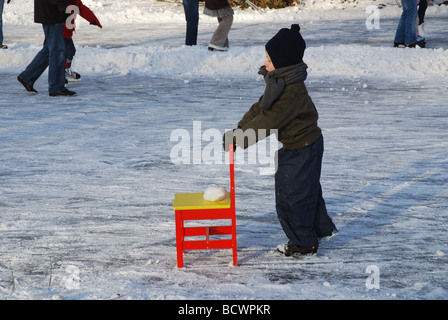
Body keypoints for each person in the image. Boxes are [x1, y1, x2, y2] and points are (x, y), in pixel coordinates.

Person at [223, 24, 337, 257]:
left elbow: (268, 120)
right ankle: (320, 229)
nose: (265, 63)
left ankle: (304, 244)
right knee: (306, 190)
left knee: (292, 197)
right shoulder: (279, 83)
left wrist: (239, 139)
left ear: (284, 63)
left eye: (269, 60)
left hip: (302, 148)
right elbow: (259, 109)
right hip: (302, 146)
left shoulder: (290, 91)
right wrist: (238, 130)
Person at [18, 0, 76, 96]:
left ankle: (27, 77)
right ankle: (56, 87)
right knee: (58, 50)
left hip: (51, 11)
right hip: (52, 12)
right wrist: (62, 6)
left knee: (49, 49)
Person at [64, 0, 102, 81]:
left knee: (71, 51)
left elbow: (81, 9)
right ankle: (59, 74)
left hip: (67, 32)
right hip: (58, 32)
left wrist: (93, 19)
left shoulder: (75, 2)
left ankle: (65, 70)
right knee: (60, 54)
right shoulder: (61, 2)